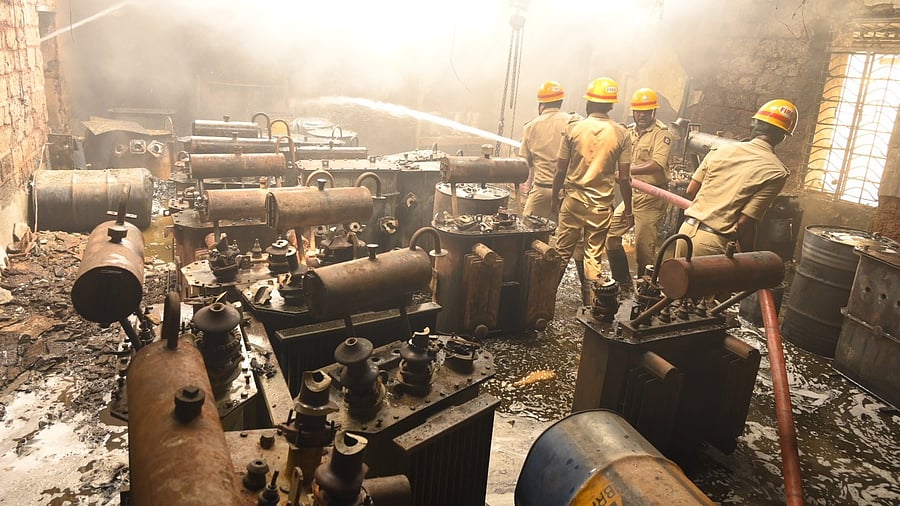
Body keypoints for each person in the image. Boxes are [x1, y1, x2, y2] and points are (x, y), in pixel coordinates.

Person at [674, 99, 796, 258]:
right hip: (714, 244)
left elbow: (691, 190)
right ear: (782, 137)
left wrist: (709, 209)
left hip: (685, 232)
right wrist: (748, 258)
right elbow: (746, 222)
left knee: (677, 281)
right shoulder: (776, 172)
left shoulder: (720, 148)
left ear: (753, 126)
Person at [552, 77, 633, 296]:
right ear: (611, 106)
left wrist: (554, 198)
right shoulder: (622, 133)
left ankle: (543, 302)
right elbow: (624, 178)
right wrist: (629, 209)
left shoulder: (573, 129)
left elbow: (560, 170)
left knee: (561, 253)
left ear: (588, 103)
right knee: (592, 256)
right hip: (600, 207)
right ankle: (591, 308)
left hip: (573, 202)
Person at [606, 88, 673, 288]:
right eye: (637, 111)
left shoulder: (662, 134)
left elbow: (657, 164)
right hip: (632, 193)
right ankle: (623, 281)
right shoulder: (629, 131)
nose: (641, 115)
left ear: (654, 112)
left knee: (644, 250)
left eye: (646, 111)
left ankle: (645, 293)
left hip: (651, 197)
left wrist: (628, 171)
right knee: (611, 236)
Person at [519, 81, 580, 221]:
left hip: (542, 190)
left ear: (541, 105)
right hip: (570, 192)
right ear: (560, 102)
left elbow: (524, 164)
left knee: (527, 230)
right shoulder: (575, 122)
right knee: (568, 236)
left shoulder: (530, 126)